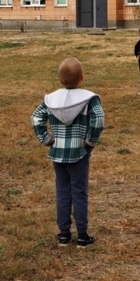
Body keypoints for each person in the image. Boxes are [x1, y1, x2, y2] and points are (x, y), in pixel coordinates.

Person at [32, 57, 105, 248]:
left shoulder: (50, 99)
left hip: (58, 152)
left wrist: (46, 139)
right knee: (79, 192)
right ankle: (82, 236)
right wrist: (91, 140)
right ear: (82, 77)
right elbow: (98, 118)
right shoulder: (89, 98)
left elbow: (36, 117)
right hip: (79, 153)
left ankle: (63, 234)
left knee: (63, 191)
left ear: (59, 79)